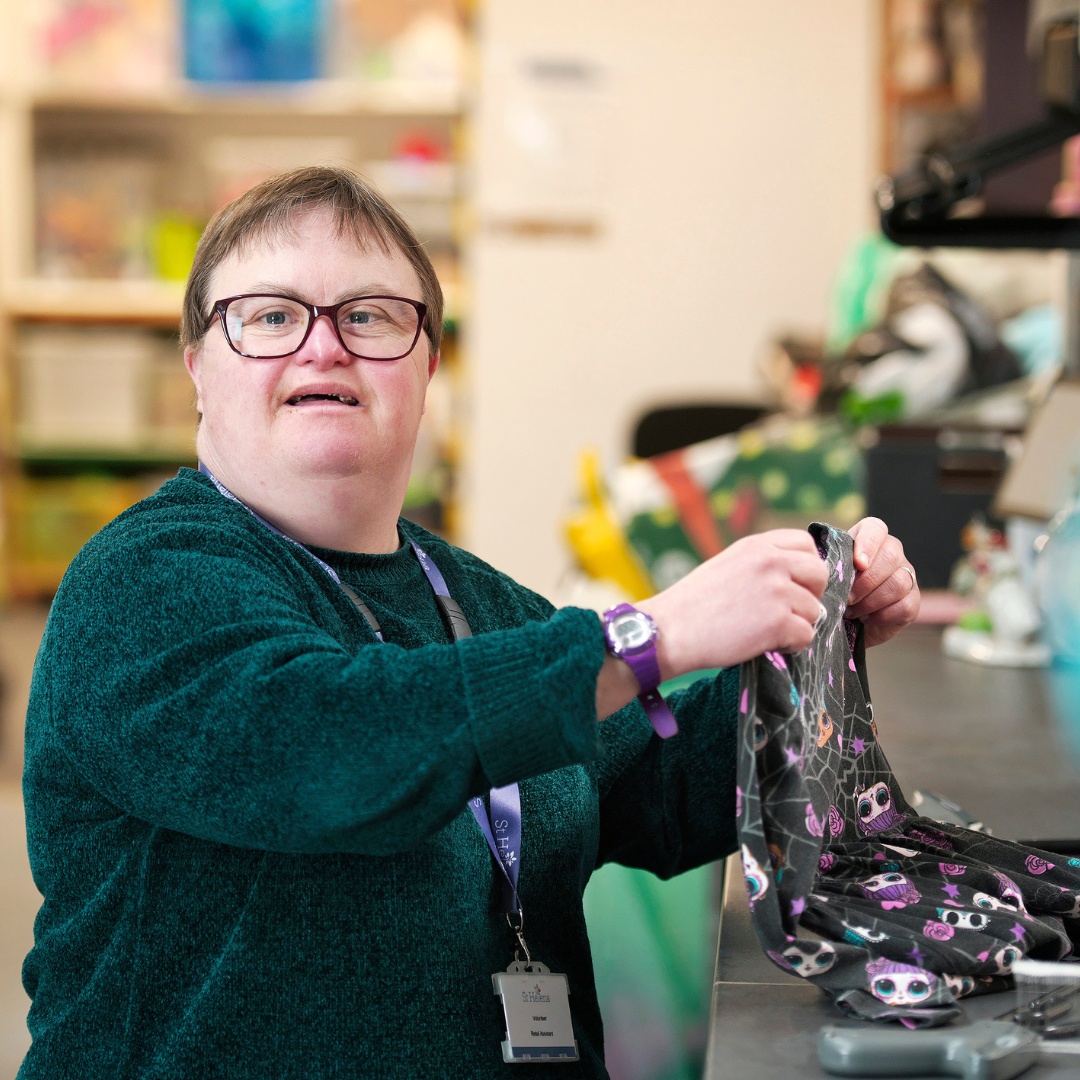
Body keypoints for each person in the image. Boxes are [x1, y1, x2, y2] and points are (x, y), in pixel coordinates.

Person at [19, 167, 920, 1080]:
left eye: (369, 316)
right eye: (269, 316)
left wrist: (811, 646)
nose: (322, 346)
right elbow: (332, 744)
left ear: (428, 364)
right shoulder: (139, 585)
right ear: (198, 369)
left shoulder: (468, 595)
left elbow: (647, 786)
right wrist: (651, 634)